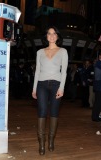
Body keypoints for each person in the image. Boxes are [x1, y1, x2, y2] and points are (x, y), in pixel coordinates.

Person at [32, 26, 68, 155]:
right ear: (46, 36)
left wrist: (62, 88)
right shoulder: (40, 52)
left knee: (54, 112)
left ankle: (51, 140)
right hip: (41, 84)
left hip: (56, 85)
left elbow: (64, 72)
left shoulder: (63, 51)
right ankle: (41, 143)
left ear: (57, 36)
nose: (52, 36)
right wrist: (34, 88)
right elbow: (37, 71)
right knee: (41, 112)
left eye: (54, 33)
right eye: (49, 33)